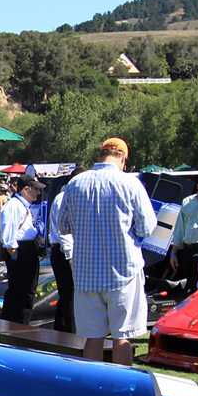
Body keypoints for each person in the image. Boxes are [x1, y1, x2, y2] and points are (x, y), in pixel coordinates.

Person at [55, 138, 156, 364]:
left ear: (100, 156)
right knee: (123, 336)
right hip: (123, 272)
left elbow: (63, 225)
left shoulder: (75, 184)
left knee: (93, 337)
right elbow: (147, 227)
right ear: (123, 159)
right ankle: (121, 388)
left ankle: (92, 388)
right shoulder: (130, 184)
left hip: (86, 273)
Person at [0, 175, 45, 324]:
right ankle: (12, 327)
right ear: (26, 189)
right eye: (36, 189)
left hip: (27, 250)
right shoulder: (14, 205)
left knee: (27, 293)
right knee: (18, 292)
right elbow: (8, 237)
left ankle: (22, 325)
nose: (38, 192)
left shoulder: (23, 206)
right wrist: (15, 256)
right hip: (20, 250)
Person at [45, 184, 75, 334]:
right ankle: (70, 331)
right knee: (70, 295)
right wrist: (70, 257)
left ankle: (63, 330)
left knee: (66, 295)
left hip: (60, 250)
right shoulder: (65, 199)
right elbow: (65, 233)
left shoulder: (61, 197)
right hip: (64, 251)